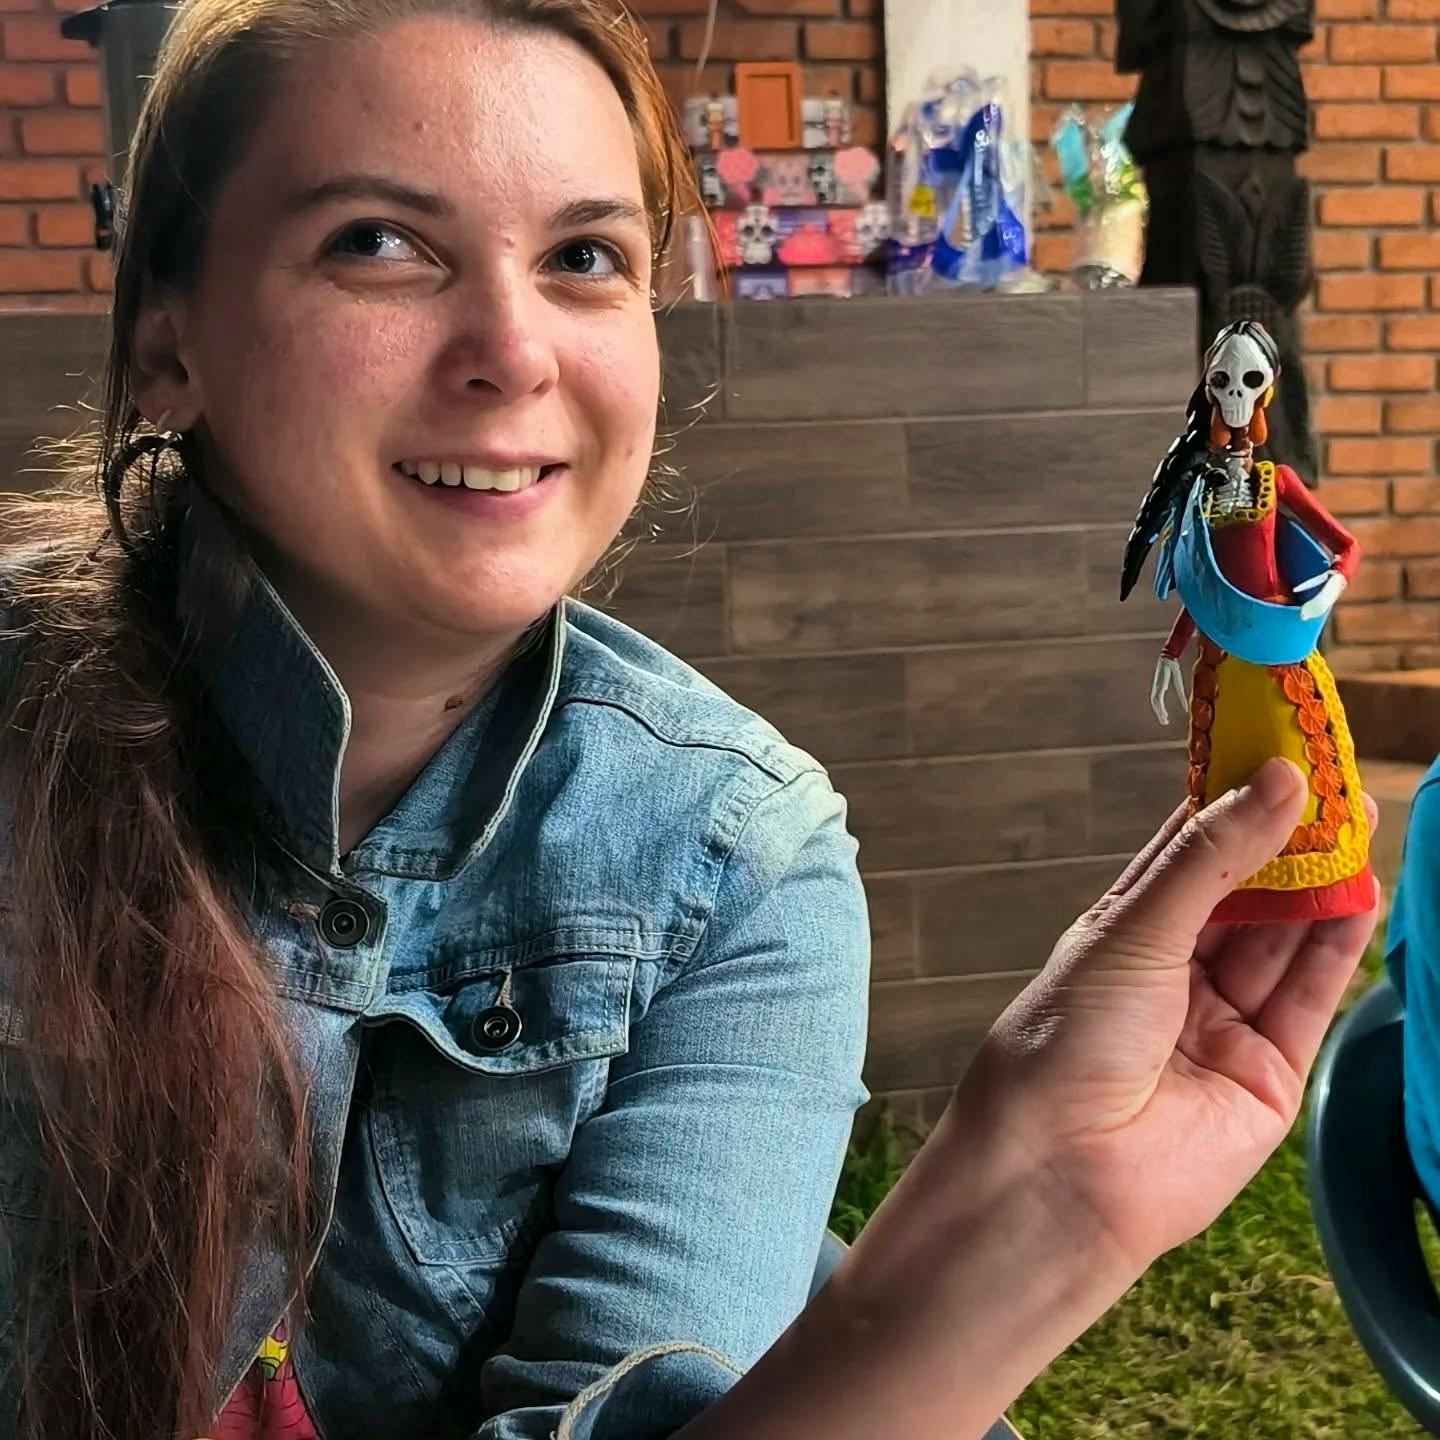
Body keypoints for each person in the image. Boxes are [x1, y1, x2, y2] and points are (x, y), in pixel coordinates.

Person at [0, 2, 1378, 1437]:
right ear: (167, 341)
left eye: (584, 257)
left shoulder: (736, 861)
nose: (513, 351)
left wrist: (1046, 1212)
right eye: (379, 241)